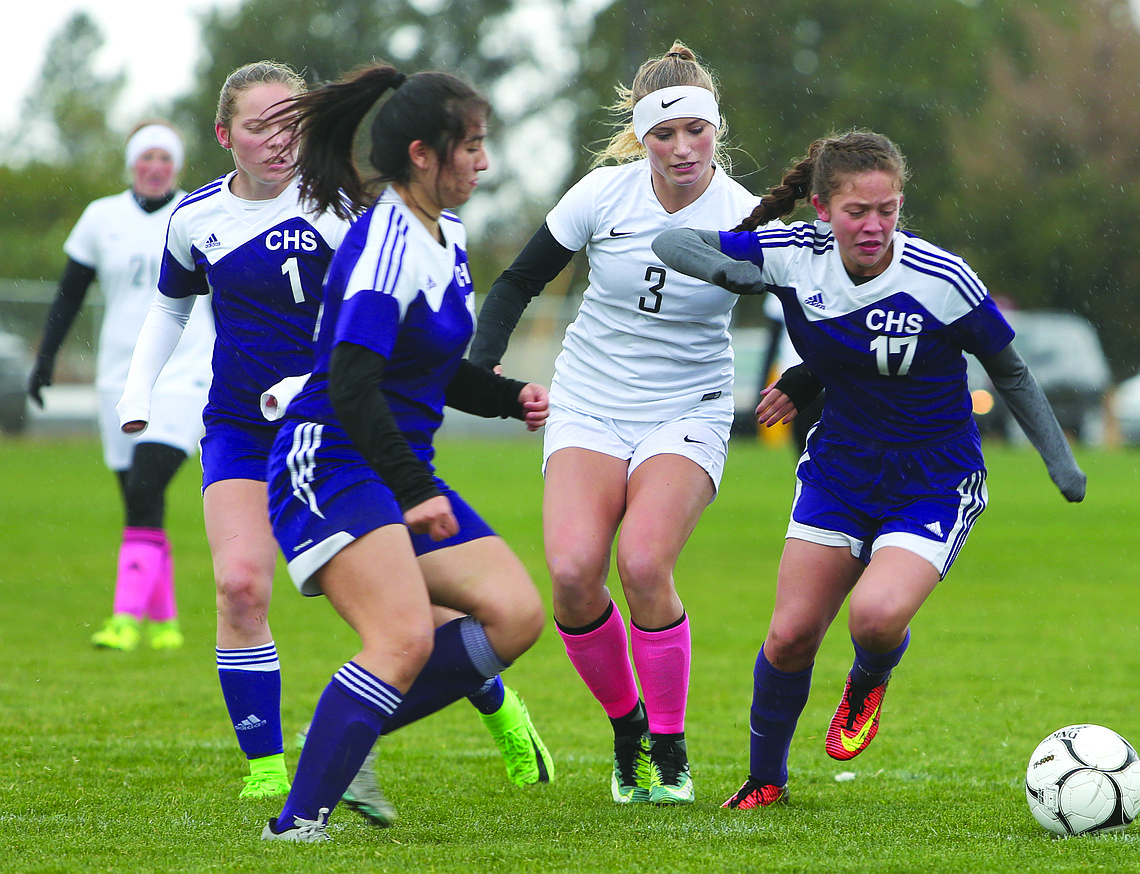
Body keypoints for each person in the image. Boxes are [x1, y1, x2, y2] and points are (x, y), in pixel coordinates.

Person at [117, 61, 549, 818]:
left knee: (459, 617)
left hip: (369, 436)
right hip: (279, 436)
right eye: (260, 126)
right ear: (225, 136)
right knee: (253, 589)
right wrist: (138, 389)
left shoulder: (379, 217)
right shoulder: (200, 218)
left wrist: (512, 397)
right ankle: (276, 774)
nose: (279, 141)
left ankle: (465, 710)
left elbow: (411, 355)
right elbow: (181, 311)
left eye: (292, 124)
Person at [652, 129, 1087, 809]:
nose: (875, 226)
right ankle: (766, 779)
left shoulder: (942, 279)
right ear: (822, 210)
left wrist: (1060, 462)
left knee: (875, 619)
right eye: (858, 211)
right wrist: (733, 273)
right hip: (840, 469)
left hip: (934, 477)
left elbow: (1011, 371)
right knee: (791, 634)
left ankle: (868, 679)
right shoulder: (795, 254)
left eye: (888, 210)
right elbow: (670, 245)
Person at [257, 63, 548, 843]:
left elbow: (431, 363)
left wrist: (506, 392)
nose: (484, 162)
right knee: (403, 638)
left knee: (517, 616)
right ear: (424, 153)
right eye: (473, 145)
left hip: (389, 469)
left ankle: (351, 735)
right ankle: (296, 826)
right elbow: (352, 385)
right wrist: (415, 486)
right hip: (332, 460)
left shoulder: (444, 234)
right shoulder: (387, 239)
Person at [469, 42, 758, 806]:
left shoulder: (745, 217)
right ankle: (626, 730)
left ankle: (669, 748)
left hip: (688, 409)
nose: (682, 148)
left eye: (695, 130)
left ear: (715, 128)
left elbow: (811, 305)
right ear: (641, 137)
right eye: (664, 134)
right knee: (570, 574)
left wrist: (805, 380)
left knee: (642, 562)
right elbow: (518, 281)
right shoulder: (603, 194)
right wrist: (481, 362)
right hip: (591, 402)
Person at [28, 120, 214, 652]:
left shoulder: (200, 214)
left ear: (176, 166)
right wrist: (44, 361)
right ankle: (166, 623)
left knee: (145, 487)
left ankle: (125, 620)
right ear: (133, 164)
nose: (154, 167)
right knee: (138, 502)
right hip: (119, 379)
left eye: (165, 158)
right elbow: (68, 294)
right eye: (145, 157)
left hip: (185, 374)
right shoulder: (101, 218)